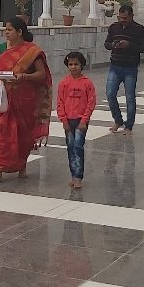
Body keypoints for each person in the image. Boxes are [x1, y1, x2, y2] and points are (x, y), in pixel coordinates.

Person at [0, 17, 52, 182]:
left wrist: (24, 76)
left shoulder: (32, 51)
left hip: (24, 98)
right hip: (5, 98)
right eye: (5, 30)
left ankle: (21, 165)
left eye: (9, 30)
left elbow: (41, 74)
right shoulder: (1, 48)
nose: (6, 33)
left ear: (20, 32)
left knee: (22, 134)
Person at [105, 5, 144, 135]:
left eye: (125, 18)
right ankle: (118, 120)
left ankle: (129, 126)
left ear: (131, 16)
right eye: (120, 17)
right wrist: (113, 45)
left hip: (130, 67)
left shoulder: (139, 29)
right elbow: (106, 43)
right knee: (110, 93)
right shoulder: (114, 27)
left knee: (130, 97)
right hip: (115, 66)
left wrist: (129, 45)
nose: (122, 20)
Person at [57, 51, 96, 189]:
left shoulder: (87, 83)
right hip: (68, 120)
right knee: (70, 148)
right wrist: (64, 121)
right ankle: (73, 175)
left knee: (78, 148)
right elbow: (60, 103)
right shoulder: (63, 83)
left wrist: (84, 120)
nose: (73, 67)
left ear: (82, 65)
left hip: (80, 120)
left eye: (76, 64)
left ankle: (79, 176)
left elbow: (91, 103)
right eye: (70, 64)